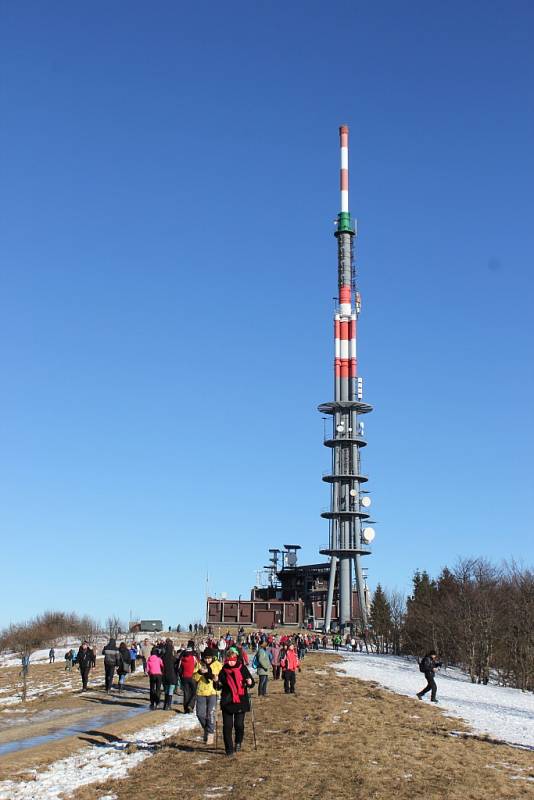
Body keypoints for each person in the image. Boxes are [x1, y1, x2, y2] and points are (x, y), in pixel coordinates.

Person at [214, 649, 254, 757]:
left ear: (236, 659)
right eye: (229, 660)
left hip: (241, 700)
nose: (231, 662)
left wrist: (249, 682)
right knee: (227, 726)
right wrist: (216, 681)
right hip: (227, 701)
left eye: (233, 660)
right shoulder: (224, 670)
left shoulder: (242, 668)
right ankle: (229, 750)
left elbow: (251, 682)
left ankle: (238, 742)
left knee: (239, 725)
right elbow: (218, 687)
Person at [193, 647, 222, 744]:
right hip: (201, 692)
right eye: (205, 658)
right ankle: (206, 729)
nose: (207, 660)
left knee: (210, 714)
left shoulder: (218, 664)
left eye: (209, 658)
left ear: (212, 657)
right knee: (200, 714)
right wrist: (200, 672)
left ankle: (210, 733)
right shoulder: (199, 664)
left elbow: (221, 678)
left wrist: (215, 678)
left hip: (213, 692)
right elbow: (194, 677)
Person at [179, 640, 198, 713]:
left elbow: (179, 666)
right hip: (192, 676)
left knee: (186, 693)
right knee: (194, 692)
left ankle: (186, 709)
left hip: (184, 676)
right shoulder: (194, 654)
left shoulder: (183, 653)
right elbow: (198, 664)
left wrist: (180, 675)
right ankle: (190, 705)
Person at [162, 639, 179, 710]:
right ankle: (168, 705)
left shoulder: (163, 657)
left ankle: (165, 705)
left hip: (165, 675)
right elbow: (177, 666)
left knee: (166, 690)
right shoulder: (173, 658)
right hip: (172, 676)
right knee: (170, 690)